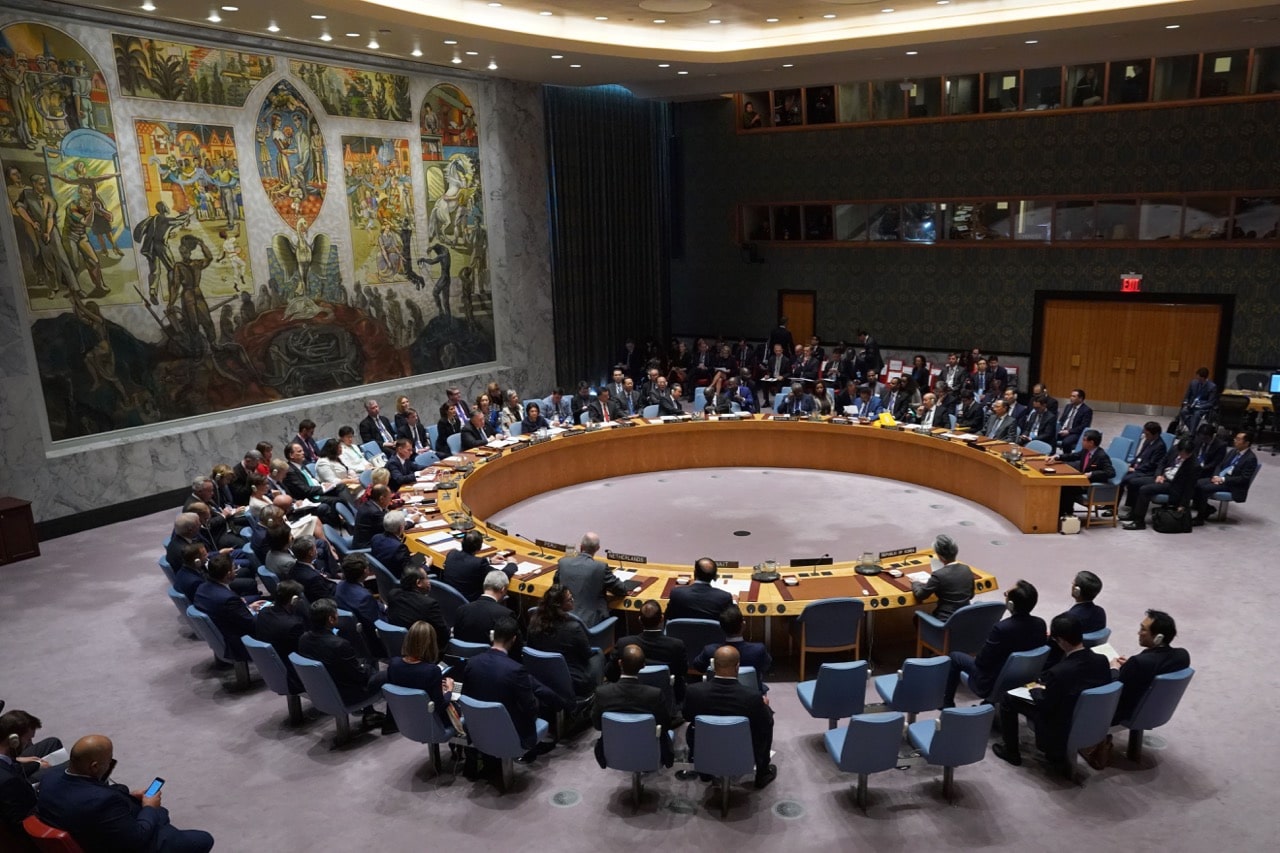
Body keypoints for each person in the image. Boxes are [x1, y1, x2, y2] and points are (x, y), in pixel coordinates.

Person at [36, 735, 214, 852]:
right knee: (203, 839)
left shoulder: (50, 777)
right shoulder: (102, 802)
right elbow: (137, 839)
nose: (110, 765)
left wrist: (128, 794)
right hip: (120, 845)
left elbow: (87, 790)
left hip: (85, 833)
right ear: (95, 766)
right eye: (108, 761)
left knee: (161, 814)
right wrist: (149, 808)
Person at [992, 614, 1110, 769]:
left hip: (1059, 723)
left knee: (1008, 698)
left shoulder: (1059, 672)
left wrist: (1035, 690)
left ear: (1060, 640)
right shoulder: (1102, 660)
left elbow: (1044, 704)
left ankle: (1011, 751)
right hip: (1088, 718)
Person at [457, 616, 567, 762]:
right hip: (510, 732)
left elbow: (466, 696)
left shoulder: (472, 663)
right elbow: (531, 708)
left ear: (493, 635)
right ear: (514, 639)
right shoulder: (515, 670)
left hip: (479, 729)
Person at [683, 646, 776, 790]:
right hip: (742, 747)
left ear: (714, 666)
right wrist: (765, 707)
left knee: (693, 727)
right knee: (765, 724)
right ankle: (762, 773)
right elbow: (766, 723)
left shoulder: (694, 691)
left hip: (706, 745)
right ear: (737, 667)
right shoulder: (752, 697)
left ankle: (704, 769)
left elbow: (687, 716)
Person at [943, 580, 1047, 707]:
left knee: (955, 656)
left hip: (991, 681)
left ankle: (946, 704)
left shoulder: (1001, 628)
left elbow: (982, 662)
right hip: (1022, 678)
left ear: (1010, 604)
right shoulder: (1040, 624)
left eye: (1006, 594)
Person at [297, 599, 386, 728]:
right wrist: (366, 668)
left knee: (364, 663)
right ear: (331, 619)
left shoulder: (303, 639)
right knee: (388, 673)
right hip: (345, 694)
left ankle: (370, 713)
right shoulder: (339, 644)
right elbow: (359, 676)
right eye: (336, 614)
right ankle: (392, 722)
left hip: (321, 691)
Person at [592, 644, 675, 769]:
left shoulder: (603, 693)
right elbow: (666, 725)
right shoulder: (654, 694)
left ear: (620, 663)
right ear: (643, 666)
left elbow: (597, 725)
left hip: (614, 750)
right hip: (649, 750)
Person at [1112, 610, 1191, 723]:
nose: (1138, 633)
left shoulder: (1139, 662)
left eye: (1143, 629)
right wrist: (1130, 666)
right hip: (1156, 708)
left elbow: (1115, 689)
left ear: (1158, 637)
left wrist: (1114, 668)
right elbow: (1155, 667)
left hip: (1125, 712)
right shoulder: (1183, 655)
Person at [607, 599, 689, 707]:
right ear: (662, 619)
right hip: (667, 699)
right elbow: (682, 671)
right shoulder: (676, 645)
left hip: (629, 698)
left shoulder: (624, 644)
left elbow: (610, 673)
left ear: (640, 620)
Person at [526, 585, 603, 697]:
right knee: (598, 655)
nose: (573, 600)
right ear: (559, 605)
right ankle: (596, 696)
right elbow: (586, 654)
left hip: (541, 676)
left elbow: (530, 647)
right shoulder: (573, 628)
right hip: (572, 680)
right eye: (569, 599)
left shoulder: (534, 622)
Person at [193, 552, 266, 660]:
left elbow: (228, 613)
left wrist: (248, 608)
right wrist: (266, 614)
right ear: (228, 574)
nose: (236, 571)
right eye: (233, 569)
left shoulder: (201, 588)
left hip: (225, 628)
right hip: (238, 641)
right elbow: (251, 624)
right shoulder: (228, 598)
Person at [554, 532, 635, 627]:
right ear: (597, 549)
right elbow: (621, 589)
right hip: (590, 624)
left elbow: (555, 585)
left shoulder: (563, 562)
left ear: (581, 546)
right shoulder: (600, 568)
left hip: (562, 618)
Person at [387, 621, 456, 730]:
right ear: (431, 644)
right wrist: (449, 691)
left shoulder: (393, 664)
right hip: (431, 724)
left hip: (404, 719)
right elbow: (440, 707)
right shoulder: (432, 671)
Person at [1122, 437, 1199, 530]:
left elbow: (1189, 487)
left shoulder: (1194, 465)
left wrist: (1182, 504)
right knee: (1133, 482)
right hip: (1163, 477)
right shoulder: (1174, 449)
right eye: (1182, 453)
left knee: (1144, 490)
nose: (1184, 456)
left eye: (1187, 454)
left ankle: (1139, 521)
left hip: (1173, 485)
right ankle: (1133, 513)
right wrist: (1159, 474)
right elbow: (1162, 462)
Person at [691, 604, 771, 692]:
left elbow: (698, 666)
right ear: (743, 625)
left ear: (720, 627)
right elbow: (767, 667)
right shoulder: (758, 650)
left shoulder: (710, 651)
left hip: (717, 695)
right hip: (751, 695)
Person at [1191, 431, 1258, 525]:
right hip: (1220, 477)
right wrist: (1216, 475)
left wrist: (1223, 479)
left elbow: (1243, 479)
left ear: (1246, 443)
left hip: (1232, 484)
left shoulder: (1251, 458)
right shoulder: (1233, 451)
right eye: (1235, 438)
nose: (1235, 441)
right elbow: (1220, 465)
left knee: (1204, 488)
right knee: (1195, 483)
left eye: (1238, 439)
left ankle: (1200, 518)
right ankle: (1207, 509)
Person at [253, 580, 307, 689]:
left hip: (272, 668)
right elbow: (304, 651)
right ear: (294, 600)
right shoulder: (293, 625)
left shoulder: (263, 613)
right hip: (294, 674)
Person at [911, 534, 976, 620]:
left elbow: (920, 596)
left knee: (917, 619)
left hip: (946, 621)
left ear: (940, 556)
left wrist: (915, 582)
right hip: (965, 617)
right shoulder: (966, 569)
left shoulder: (938, 575)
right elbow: (971, 596)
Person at [334, 553, 386, 659]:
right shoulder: (364, 597)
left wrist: (382, 606)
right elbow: (376, 624)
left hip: (351, 633)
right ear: (365, 572)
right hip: (371, 642)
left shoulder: (340, 586)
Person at [1055, 428, 1115, 516]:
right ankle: (1063, 512)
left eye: (1084, 440)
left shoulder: (1101, 456)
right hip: (1081, 481)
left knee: (1065, 487)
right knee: (1062, 483)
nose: (1082, 442)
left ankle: (1065, 514)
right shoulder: (1086, 451)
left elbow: (1111, 472)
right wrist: (1058, 457)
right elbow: (1074, 456)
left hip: (1090, 485)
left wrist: (1092, 474)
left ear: (1091, 443)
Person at [452, 570, 518, 646]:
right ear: (503, 590)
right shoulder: (506, 614)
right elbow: (515, 647)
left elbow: (457, 640)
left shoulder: (461, 610)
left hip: (463, 656)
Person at [385, 567, 450, 643]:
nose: (429, 581)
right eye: (426, 578)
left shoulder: (393, 594)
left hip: (397, 642)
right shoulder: (429, 604)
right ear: (418, 583)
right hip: (423, 650)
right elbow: (444, 635)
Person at [444, 530, 512, 601]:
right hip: (471, 602)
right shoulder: (478, 563)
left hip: (449, 600)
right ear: (479, 547)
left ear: (462, 542)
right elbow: (499, 577)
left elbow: (467, 562)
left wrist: (490, 561)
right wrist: (511, 564)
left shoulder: (452, 554)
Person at [1117, 421, 1168, 511]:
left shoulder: (1160, 446)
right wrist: (1130, 464)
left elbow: (1152, 464)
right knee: (1120, 475)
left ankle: (1129, 505)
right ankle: (1113, 505)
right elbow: (1139, 455)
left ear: (1155, 434)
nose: (1145, 435)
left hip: (1148, 472)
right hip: (1139, 467)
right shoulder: (1148, 441)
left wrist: (1135, 468)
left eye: (1147, 434)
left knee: (1127, 479)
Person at [667, 557, 733, 622]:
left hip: (681, 632)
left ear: (695, 573)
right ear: (714, 576)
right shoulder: (724, 597)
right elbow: (733, 622)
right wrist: (735, 602)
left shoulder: (676, 593)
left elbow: (668, 617)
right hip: (711, 632)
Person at [371, 510, 425, 579]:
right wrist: (426, 566)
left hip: (384, 576)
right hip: (400, 579)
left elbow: (389, 555)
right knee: (426, 562)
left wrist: (406, 556)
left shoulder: (376, 538)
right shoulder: (399, 548)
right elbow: (410, 574)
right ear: (401, 528)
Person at [1178, 367, 1218, 433]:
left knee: (1196, 414)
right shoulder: (1193, 383)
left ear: (1203, 378)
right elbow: (1187, 395)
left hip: (1202, 407)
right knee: (1183, 411)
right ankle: (1193, 430)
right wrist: (1186, 402)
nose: (1197, 379)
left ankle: (1192, 433)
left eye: (1199, 378)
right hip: (1191, 405)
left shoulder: (1212, 387)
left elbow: (1210, 403)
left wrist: (1199, 407)